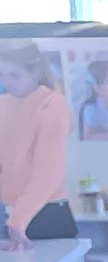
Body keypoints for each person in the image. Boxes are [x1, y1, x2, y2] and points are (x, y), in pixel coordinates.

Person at [0, 41, 75, 248]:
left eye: (14, 76)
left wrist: (18, 219)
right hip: (9, 214)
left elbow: (49, 171)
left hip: (46, 215)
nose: (7, 83)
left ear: (36, 73)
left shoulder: (52, 104)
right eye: (2, 75)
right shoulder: (3, 105)